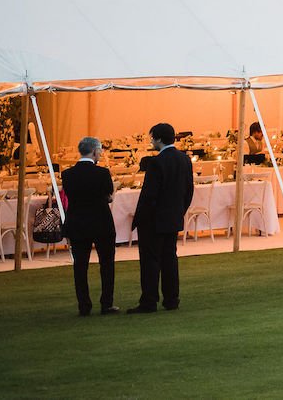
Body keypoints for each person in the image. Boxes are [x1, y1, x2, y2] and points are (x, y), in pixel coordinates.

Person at [129, 122, 193, 312]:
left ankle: (149, 300)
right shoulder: (184, 159)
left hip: (154, 220)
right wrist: (179, 210)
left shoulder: (157, 162)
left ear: (158, 139)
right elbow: (189, 191)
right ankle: (171, 298)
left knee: (150, 261)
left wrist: (141, 218)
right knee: (169, 259)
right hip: (173, 217)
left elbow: (149, 195)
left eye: (152, 138)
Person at [63, 136, 118, 316]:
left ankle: (84, 305)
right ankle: (106, 303)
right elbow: (108, 195)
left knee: (80, 266)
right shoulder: (102, 173)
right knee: (107, 264)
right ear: (95, 151)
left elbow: (71, 196)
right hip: (101, 221)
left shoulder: (68, 174)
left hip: (78, 222)